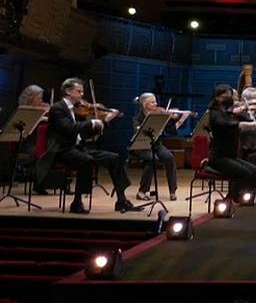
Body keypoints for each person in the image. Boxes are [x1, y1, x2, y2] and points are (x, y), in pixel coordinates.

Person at [35, 78, 139, 214]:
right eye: (79, 91)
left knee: (114, 158)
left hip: (78, 148)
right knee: (86, 160)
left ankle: (121, 200)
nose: (82, 94)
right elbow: (69, 128)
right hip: (61, 150)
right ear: (68, 91)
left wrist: (105, 121)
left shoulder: (76, 109)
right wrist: (91, 123)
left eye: (82, 91)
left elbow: (84, 133)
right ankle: (77, 202)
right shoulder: (57, 108)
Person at [206, 84, 256, 200]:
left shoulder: (228, 113)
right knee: (246, 174)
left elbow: (247, 119)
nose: (230, 99)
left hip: (231, 156)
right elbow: (225, 124)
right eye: (227, 96)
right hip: (219, 158)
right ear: (217, 98)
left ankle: (244, 198)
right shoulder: (215, 113)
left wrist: (252, 114)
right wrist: (245, 124)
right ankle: (232, 199)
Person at [133, 93, 189, 201]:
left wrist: (181, 120)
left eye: (155, 101)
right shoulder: (137, 118)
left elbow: (170, 131)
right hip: (142, 146)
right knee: (152, 159)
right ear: (145, 104)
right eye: (152, 102)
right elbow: (137, 132)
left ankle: (172, 191)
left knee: (169, 157)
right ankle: (142, 191)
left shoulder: (159, 115)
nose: (156, 104)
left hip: (156, 145)